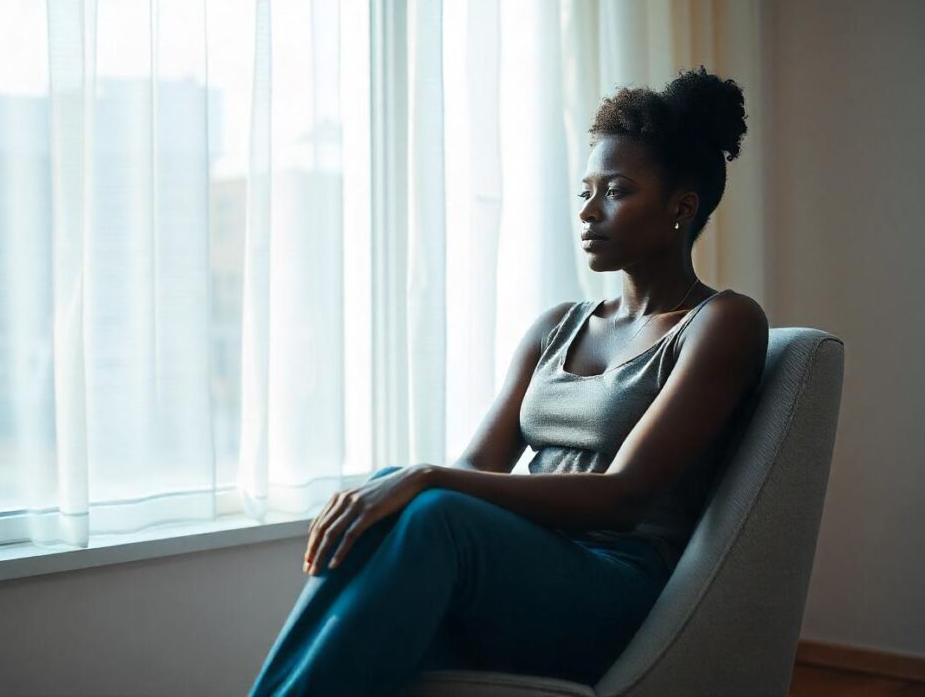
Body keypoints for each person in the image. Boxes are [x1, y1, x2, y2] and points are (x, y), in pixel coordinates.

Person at [247, 65, 769, 697]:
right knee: (395, 494)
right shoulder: (557, 326)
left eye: (617, 191)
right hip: (522, 570)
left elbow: (624, 495)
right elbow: (480, 464)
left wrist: (429, 477)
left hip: (617, 587)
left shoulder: (721, 323)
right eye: (586, 190)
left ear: (681, 207)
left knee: (429, 502)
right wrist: (416, 480)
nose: (589, 212)